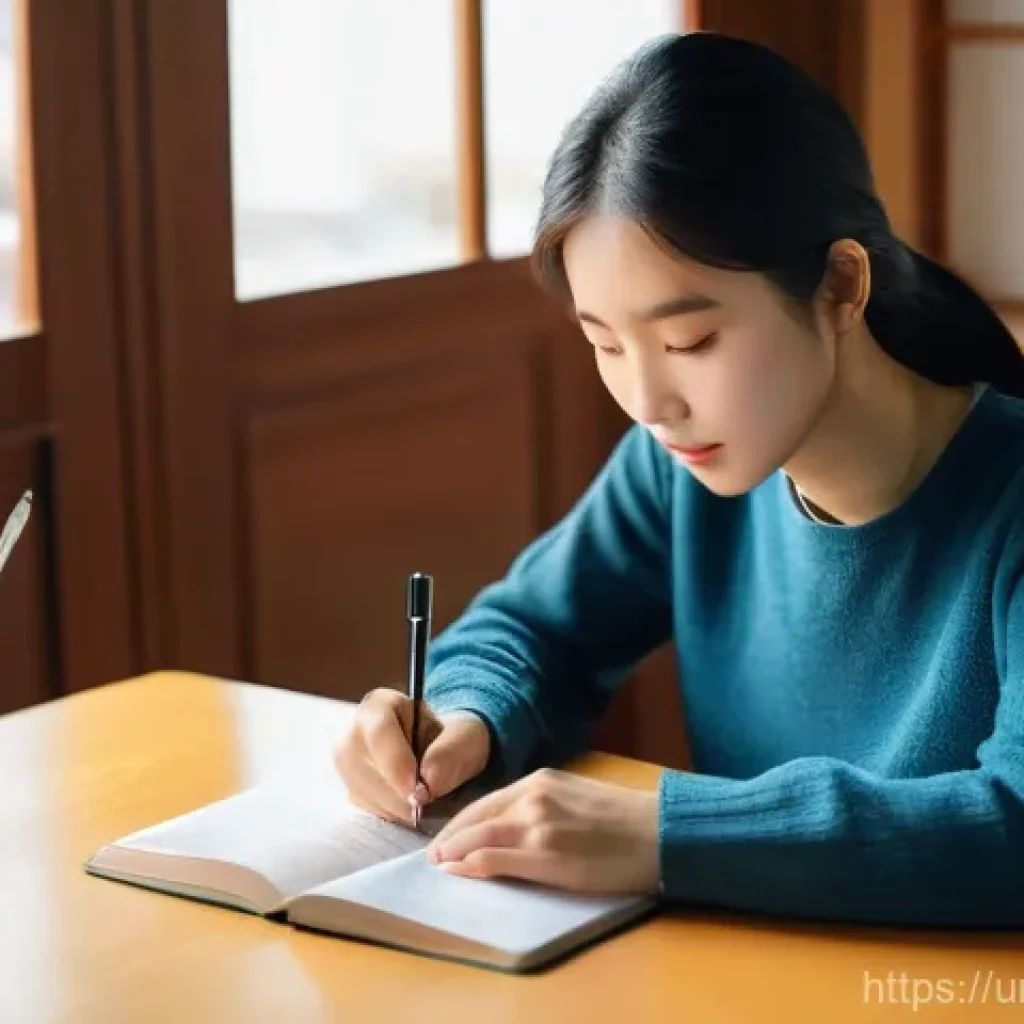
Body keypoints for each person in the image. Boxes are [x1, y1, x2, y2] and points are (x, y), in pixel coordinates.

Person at [333, 31, 1024, 927]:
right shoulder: (678, 470)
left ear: (839, 288)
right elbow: (533, 629)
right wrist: (467, 718)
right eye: (606, 344)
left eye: (689, 342)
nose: (650, 401)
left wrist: (663, 833)